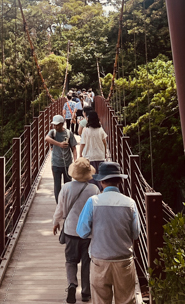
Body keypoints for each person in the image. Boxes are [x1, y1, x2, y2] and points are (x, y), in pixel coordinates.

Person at [76, 162, 140, 304]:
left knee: (100, 301)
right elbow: (136, 234)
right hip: (124, 260)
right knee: (127, 301)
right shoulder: (130, 203)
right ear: (120, 181)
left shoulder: (93, 201)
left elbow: (82, 232)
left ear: (101, 181)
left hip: (100, 260)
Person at [53, 158, 99, 303]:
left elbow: (60, 208)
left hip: (70, 231)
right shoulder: (94, 189)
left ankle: (72, 284)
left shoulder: (66, 187)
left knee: (71, 261)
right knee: (87, 261)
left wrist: (56, 222)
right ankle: (86, 292)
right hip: (88, 232)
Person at [45, 114, 78, 202]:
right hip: (56, 163)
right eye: (54, 125)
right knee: (57, 185)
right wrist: (59, 144)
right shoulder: (53, 132)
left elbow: (74, 148)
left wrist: (75, 161)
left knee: (68, 185)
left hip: (67, 163)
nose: (55, 126)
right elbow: (46, 138)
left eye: (57, 124)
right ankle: (58, 204)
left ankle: (67, 203)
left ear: (62, 124)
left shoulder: (68, 133)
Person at [78, 111, 107, 175]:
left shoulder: (85, 130)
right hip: (100, 155)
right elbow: (104, 142)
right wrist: (105, 153)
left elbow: (82, 143)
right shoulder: (100, 129)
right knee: (100, 176)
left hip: (89, 156)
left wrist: (80, 154)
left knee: (90, 176)